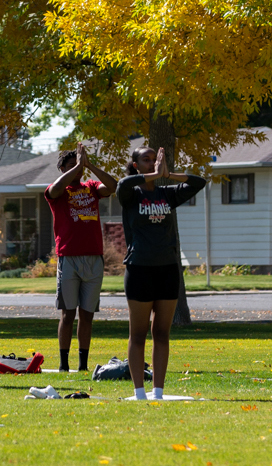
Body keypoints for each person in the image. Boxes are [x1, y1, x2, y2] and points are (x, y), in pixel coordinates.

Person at [116, 146, 205, 401]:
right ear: (136, 166)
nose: (152, 163)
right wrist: (155, 175)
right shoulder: (130, 194)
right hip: (139, 269)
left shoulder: (167, 194)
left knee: (162, 333)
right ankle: (139, 392)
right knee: (138, 333)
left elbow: (200, 182)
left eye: (155, 159)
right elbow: (122, 183)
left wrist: (169, 174)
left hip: (167, 270)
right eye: (146, 159)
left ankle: (158, 391)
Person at [45, 148, 119, 373]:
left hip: (93, 258)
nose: (77, 170)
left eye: (79, 165)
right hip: (68, 257)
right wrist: (77, 168)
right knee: (68, 314)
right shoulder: (56, 190)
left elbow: (113, 186)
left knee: (87, 314)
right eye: (71, 166)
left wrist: (90, 167)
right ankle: (63, 364)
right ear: (62, 169)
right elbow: (55, 189)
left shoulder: (92, 188)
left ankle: (83, 365)